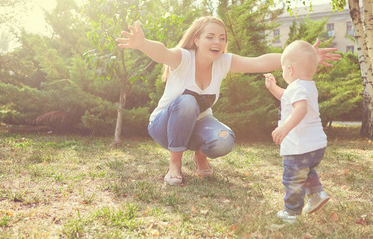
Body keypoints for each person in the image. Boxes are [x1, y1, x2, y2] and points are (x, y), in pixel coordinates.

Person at [116, 16, 340, 186]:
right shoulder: (183, 58)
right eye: (210, 37)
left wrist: (303, 58)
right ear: (196, 39)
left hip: (196, 127)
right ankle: (175, 163)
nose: (218, 42)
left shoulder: (223, 62)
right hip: (162, 127)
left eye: (222, 38)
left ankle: (200, 155)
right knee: (187, 102)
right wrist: (142, 43)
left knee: (224, 140)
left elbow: (260, 62)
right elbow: (163, 52)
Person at [264, 40, 330, 224]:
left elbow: (300, 108)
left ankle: (291, 213)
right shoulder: (307, 86)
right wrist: (272, 87)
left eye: (284, 69)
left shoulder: (297, 87)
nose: (283, 72)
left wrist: (284, 127)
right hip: (316, 146)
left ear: (290, 70)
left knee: (292, 178)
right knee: (305, 170)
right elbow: (286, 96)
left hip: (299, 146)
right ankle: (316, 194)